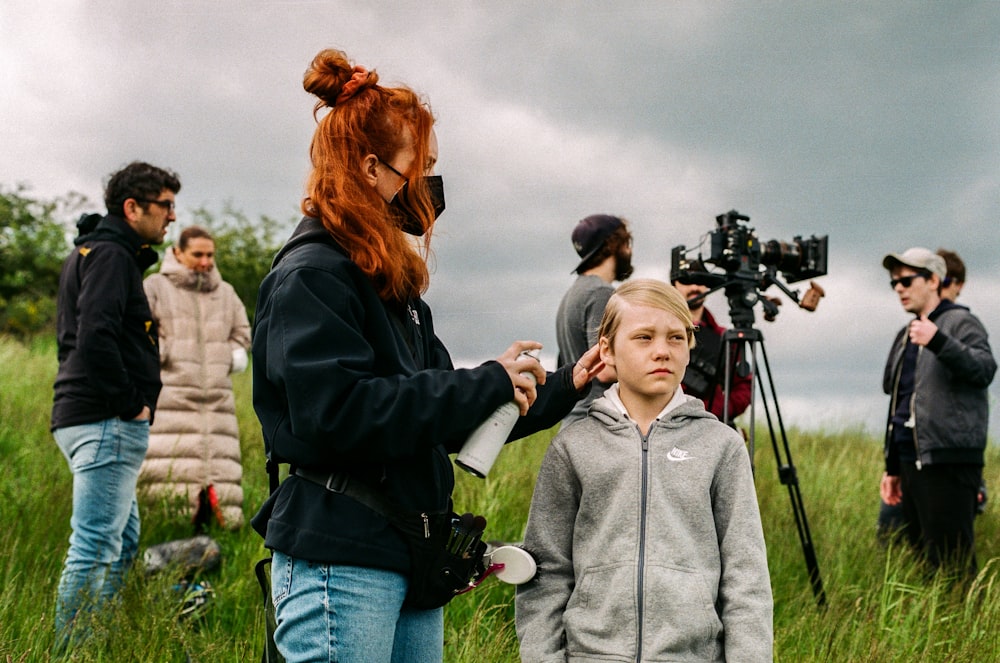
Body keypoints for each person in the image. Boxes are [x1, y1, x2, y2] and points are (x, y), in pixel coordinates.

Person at [250, 49, 603, 663]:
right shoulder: (314, 276)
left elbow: (444, 409)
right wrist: (486, 380)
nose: (431, 187)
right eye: (424, 166)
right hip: (341, 556)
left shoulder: (392, 287)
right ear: (370, 168)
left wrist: (573, 378)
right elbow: (336, 413)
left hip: (408, 557)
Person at [516, 278, 773, 662]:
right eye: (643, 337)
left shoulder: (722, 446)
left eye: (675, 337)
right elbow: (546, 575)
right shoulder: (573, 447)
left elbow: (747, 579)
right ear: (607, 349)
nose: (662, 351)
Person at [50, 161, 180, 647]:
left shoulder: (93, 251)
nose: (171, 217)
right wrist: (132, 405)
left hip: (86, 416)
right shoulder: (110, 256)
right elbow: (95, 336)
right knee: (95, 546)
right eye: (165, 206)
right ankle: (74, 652)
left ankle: (99, 637)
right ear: (133, 207)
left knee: (120, 542)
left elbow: (83, 338)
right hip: (105, 419)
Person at [880, 247, 996, 577]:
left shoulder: (961, 322)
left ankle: (966, 626)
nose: (899, 288)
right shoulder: (907, 333)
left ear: (933, 280)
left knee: (953, 565)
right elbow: (900, 401)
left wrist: (939, 342)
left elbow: (984, 369)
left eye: (906, 280)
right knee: (920, 564)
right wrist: (892, 468)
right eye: (894, 283)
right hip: (910, 461)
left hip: (949, 460)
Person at [139, 226, 252, 530]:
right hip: (169, 400)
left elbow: (243, 333)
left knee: (221, 484)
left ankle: (218, 544)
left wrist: (230, 356)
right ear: (177, 253)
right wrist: (170, 352)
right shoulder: (155, 287)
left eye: (210, 255)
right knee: (169, 481)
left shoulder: (225, 293)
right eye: (197, 255)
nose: (205, 262)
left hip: (218, 405)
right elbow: (140, 335)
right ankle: (165, 542)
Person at [555, 214, 633, 425]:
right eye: (627, 243)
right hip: (597, 422)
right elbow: (605, 370)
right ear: (613, 245)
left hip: (575, 422)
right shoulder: (601, 293)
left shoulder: (572, 294)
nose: (630, 251)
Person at [672, 273, 752, 422]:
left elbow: (744, 386)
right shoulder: (660, 330)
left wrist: (718, 410)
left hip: (712, 425)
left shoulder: (724, 338)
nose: (695, 287)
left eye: (700, 281)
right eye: (687, 281)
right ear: (674, 284)